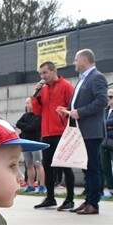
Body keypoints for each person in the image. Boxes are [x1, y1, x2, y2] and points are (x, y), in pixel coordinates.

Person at [56, 49, 108, 215]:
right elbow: (79, 104)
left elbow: (102, 101)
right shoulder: (83, 79)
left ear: (85, 60)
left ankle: (93, 203)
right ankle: (88, 200)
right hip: (81, 130)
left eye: (76, 60)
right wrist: (68, 111)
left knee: (92, 167)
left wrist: (80, 112)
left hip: (91, 131)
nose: (74, 63)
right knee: (86, 167)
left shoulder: (96, 77)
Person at [30, 61, 75, 209]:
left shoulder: (66, 86)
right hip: (47, 133)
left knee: (66, 166)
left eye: (45, 72)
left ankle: (70, 199)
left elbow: (73, 108)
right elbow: (37, 111)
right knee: (48, 166)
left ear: (54, 70)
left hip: (61, 132)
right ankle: (50, 198)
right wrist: (36, 97)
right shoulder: (43, 89)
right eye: (41, 74)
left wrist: (64, 113)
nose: (42, 76)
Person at [14, 99, 45, 193]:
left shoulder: (38, 116)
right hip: (26, 143)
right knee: (29, 165)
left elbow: (32, 127)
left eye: (28, 103)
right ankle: (30, 184)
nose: (26, 105)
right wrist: (27, 126)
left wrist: (25, 127)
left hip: (35, 143)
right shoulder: (25, 115)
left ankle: (42, 185)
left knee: (38, 164)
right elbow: (18, 123)